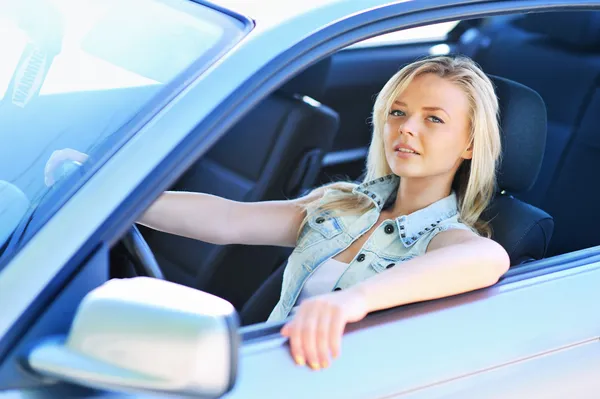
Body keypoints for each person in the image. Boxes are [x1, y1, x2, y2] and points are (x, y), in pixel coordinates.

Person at [44, 55, 510, 371]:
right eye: (397, 112)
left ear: (469, 143)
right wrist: (111, 196)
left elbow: (488, 259)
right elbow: (229, 221)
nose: (406, 129)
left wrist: (350, 301)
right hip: (267, 365)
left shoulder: (447, 239)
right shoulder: (346, 203)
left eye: (434, 119)